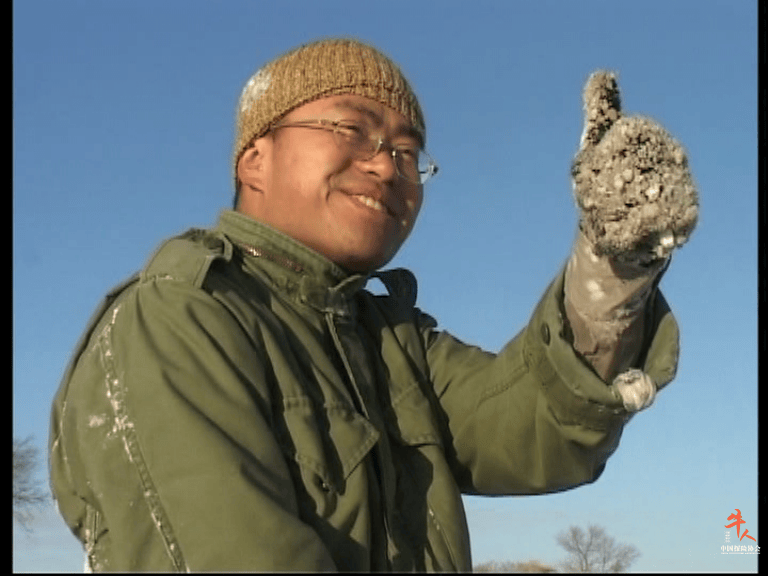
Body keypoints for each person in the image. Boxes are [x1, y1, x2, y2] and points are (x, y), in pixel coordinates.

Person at [49, 38, 695, 571]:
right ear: (254, 161)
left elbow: (537, 427)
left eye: (408, 153)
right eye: (350, 130)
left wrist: (614, 265)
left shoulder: (393, 343)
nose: (387, 168)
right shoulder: (181, 320)